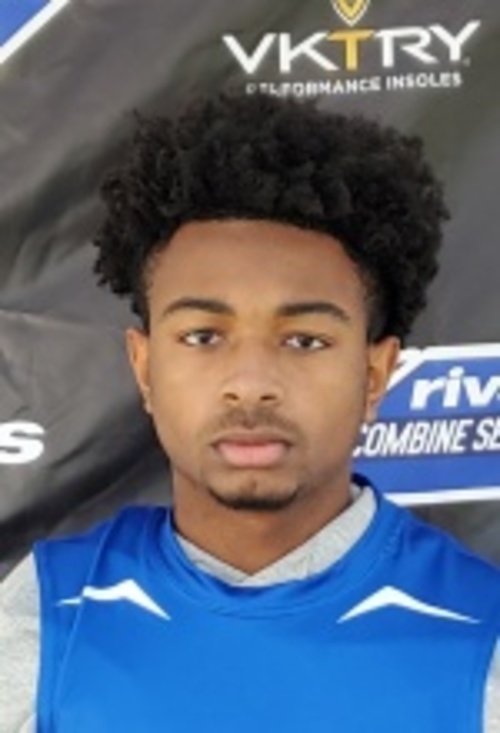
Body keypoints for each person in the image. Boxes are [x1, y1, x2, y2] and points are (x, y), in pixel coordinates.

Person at [1, 90, 499, 732]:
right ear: (145, 368)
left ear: (374, 374)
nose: (251, 384)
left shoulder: (482, 637)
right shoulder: (42, 620)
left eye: (305, 341)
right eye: (204, 336)